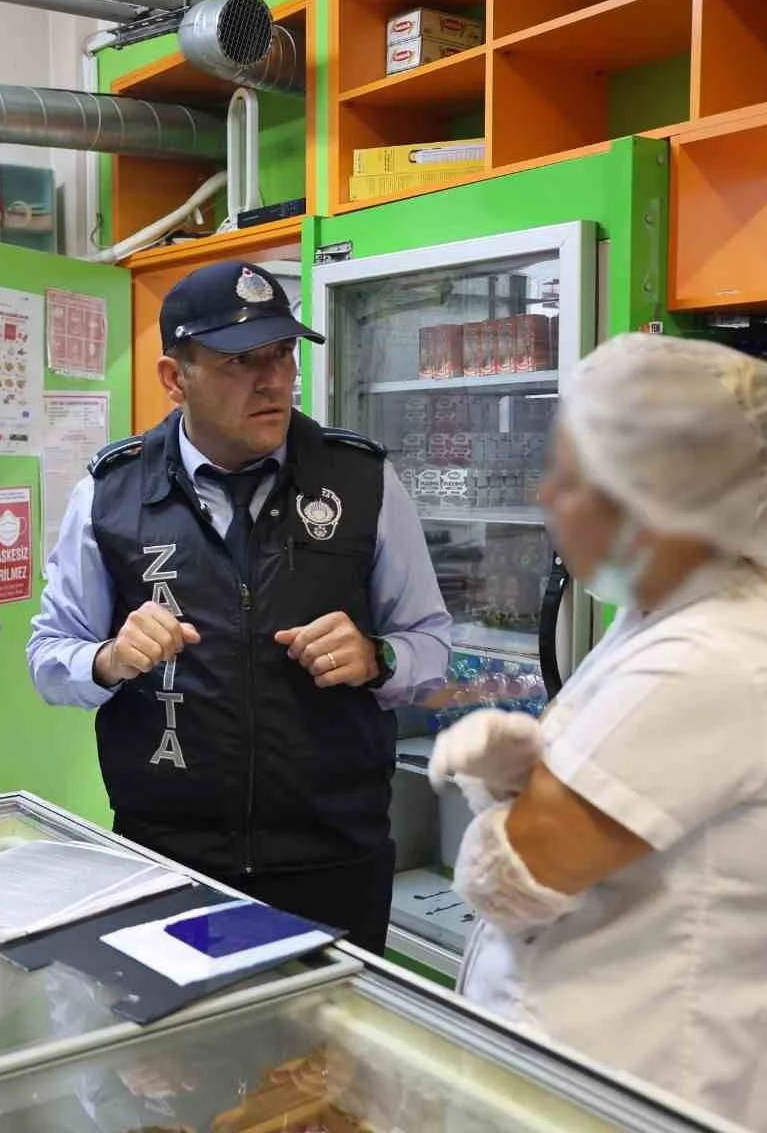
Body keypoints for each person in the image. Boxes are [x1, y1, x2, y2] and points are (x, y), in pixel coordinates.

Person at [429, 334, 767, 1133]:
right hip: (608, 1074)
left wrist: (495, 791)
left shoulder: (713, 655)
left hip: (649, 1086)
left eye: (572, 479)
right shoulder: (676, 614)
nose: (545, 498)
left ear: (655, 501)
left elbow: (512, 879)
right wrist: (525, 785)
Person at [28, 259, 451, 953]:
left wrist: (379, 656)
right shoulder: (111, 494)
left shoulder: (362, 481)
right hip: (167, 862)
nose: (274, 381)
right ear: (175, 378)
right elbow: (48, 654)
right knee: (181, 1061)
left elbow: (432, 643)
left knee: (326, 1061)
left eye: (283, 354)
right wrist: (106, 659)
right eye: (239, 361)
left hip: (334, 862)